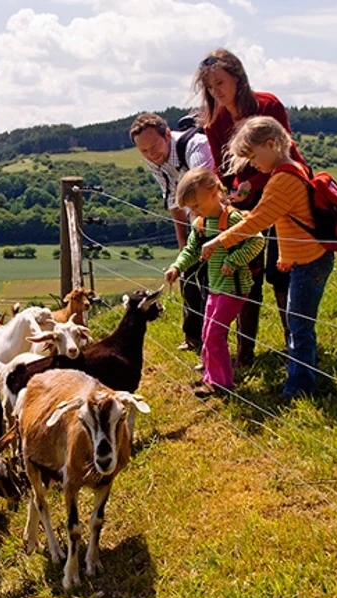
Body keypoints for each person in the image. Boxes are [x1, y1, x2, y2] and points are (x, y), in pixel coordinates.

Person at [202, 116, 333, 401]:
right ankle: (304, 377)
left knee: (298, 325)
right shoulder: (289, 170)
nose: (251, 164)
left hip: (309, 263)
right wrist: (286, 257)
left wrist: (219, 239)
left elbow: (259, 222)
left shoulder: (283, 179)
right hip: (305, 260)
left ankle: (299, 388)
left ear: (272, 144)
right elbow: (283, 219)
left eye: (252, 156)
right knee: (298, 322)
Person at [192, 48, 305, 366]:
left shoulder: (268, 105)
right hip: (244, 205)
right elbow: (222, 168)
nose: (216, 91)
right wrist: (227, 194)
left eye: (220, 82)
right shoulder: (215, 122)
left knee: (281, 271)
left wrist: (250, 186)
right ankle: (245, 354)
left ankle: (294, 347)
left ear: (238, 78)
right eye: (210, 86)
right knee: (245, 272)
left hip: (282, 196)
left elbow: (284, 152)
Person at [163, 167, 265, 397]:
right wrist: (177, 266)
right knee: (207, 332)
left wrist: (234, 259)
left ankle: (222, 384)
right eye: (191, 208)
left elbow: (257, 241)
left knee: (214, 334)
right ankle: (210, 377)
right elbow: (191, 249)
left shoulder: (232, 218)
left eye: (197, 205)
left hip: (234, 287)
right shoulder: (201, 223)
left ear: (212, 192)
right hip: (215, 287)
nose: (194, 211)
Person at [130, 112, 215, 352]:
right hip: (193, 216)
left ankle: (214, 342)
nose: (151, 154)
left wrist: (197, 241)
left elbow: (203, 192)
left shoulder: (195, 148)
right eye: (144, 151)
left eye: (154, 145)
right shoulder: (152, 158)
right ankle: (192, 337)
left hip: (218, 215)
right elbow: (173, 198)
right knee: (188, 272)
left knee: (211, 280)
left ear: (167, 134)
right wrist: (183, 246)